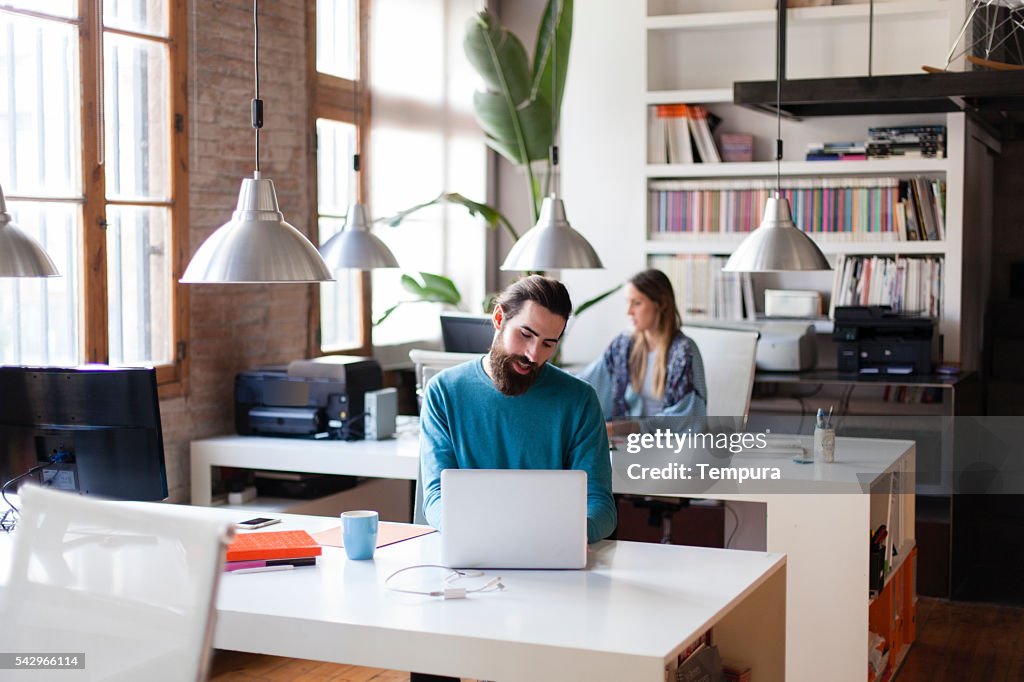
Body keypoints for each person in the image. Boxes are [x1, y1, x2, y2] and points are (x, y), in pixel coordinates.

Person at [418, 275, 617, 546]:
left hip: (553, 550)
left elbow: (599, 503)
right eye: (526, 334)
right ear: (499, 319)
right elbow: (436, 496)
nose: (534, 355)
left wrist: (569, 535)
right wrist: (467, 530)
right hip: (472, 549)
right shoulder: (444, 392)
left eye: (548, 343)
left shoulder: (579, 400)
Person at [578, 269, 707, 427]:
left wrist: (629, 428)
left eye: (637, 303)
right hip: (624, 442)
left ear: (661, 303)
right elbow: (585, 383)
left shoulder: (684, 352)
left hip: (669, 446)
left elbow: (688, 417)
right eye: (628, 302)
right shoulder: (623, 346)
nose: (629, 311)